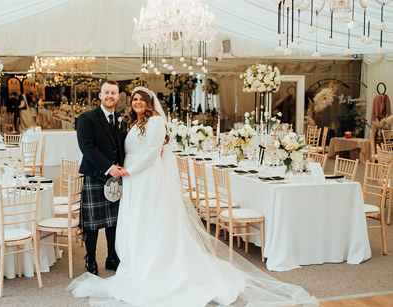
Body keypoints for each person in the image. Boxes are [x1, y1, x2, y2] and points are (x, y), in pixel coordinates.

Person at [68, 87, 318, 307]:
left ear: (149, 102)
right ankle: (132, 260)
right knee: (135, 219)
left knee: (150, 219)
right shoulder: (132, 122)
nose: (137, 102)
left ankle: (151, 264)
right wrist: (124, 171)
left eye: (141, 99)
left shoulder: (155, 122)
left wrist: (128, 170)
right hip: (131, 179)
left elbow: (154, 152)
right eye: (134, 99)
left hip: (144, 176)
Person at [76, 80, 127, 276]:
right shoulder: (87, 118)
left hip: (117, 178)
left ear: (118, 96)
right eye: (106, 92)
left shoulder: (122, 118)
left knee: (114, 221)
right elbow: (86, 147)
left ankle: (111, 257)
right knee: (92, 223)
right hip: (96, 174)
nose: (110, 96)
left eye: (113, 93)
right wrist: (108, 167)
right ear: (99, 95)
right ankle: (91, 260)